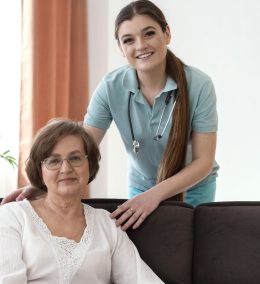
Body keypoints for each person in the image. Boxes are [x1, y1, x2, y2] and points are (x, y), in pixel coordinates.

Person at [1, 0, 218, 231]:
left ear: (167, 34)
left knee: (189, 255)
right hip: (141, 185)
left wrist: (154, 196)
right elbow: (83, 146)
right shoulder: (110, 87)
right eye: (129, 40)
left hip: (194, 186)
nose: (141, 45)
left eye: (149, 34)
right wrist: (42, 185)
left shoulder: (199, 84)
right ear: (120, 49)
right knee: (147, 255)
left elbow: (203, 162)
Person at [0, 119, 164, 283]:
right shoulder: (12, 217)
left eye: (75, 158)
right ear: (39, 170)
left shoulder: (107, 224)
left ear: (90, 165)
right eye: (54, 161)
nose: (66, 169)